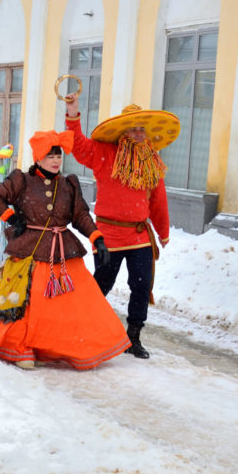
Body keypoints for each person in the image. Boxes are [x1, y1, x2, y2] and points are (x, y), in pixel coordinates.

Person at [0, 131, 129, 370]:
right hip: (29, 251)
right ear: (38, 158)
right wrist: (12, 218)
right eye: (50, 156)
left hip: (63, 252)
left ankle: (69, 347)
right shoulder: (21, 179)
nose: (56, 160)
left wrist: (98, 239)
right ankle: (21, 348)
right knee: (26, 302)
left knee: (72, 304)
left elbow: (81, 216)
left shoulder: (68, 184)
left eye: (59, 156)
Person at [66, 98, 179, 359]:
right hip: (109, 234)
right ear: (123, 133)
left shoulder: (152, 161)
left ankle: (133, 337)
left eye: (142, 130)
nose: (138, 134)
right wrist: (73, 116)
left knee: (141, 285)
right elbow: (79, 146)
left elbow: (158, 200)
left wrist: (163, 232)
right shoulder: (105, 152)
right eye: (133, 130)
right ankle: (82, 328)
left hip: (139, 235)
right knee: (102, 284)